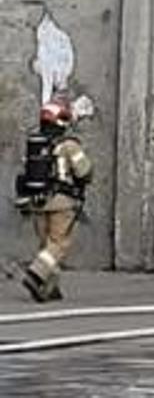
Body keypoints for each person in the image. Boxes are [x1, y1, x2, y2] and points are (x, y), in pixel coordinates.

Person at [15, 98, 91, 302]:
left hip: (37, 202)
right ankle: (35, 274)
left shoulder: (35, 144)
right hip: (61, 202)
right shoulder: (68, 145)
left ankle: (49, 289)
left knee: (46, 246)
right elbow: (84, 172)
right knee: (58, 244)